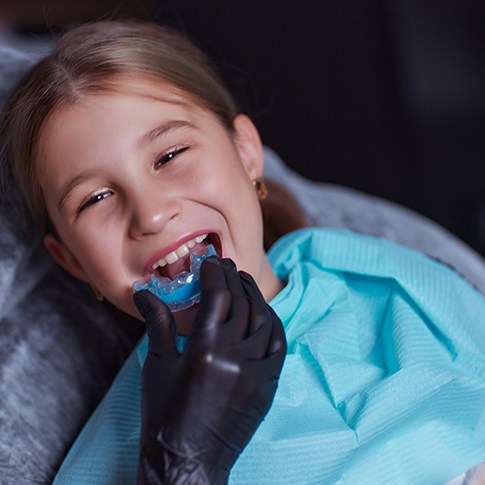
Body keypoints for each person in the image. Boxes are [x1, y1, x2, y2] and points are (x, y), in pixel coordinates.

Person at [1, 19, 485, 485]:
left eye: (169, 156)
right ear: (71, 261)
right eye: (95, 199)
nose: (149, 215)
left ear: (246, 153)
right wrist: (180, 467)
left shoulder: (397, 280)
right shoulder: (122, 455)